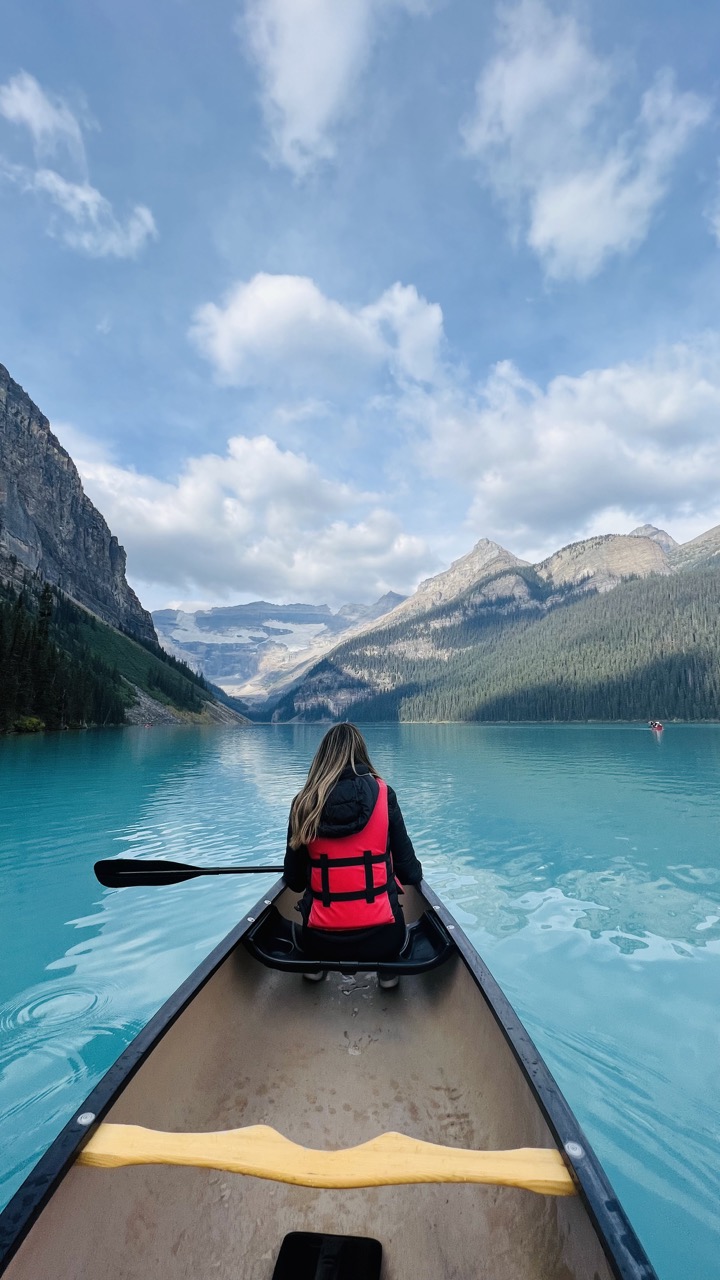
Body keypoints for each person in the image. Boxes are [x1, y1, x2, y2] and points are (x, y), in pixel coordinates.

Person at [283, 723, 423, 988]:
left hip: (319, 940)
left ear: (321, 757)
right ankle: (388, 974)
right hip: (383, 940)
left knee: (312, 944)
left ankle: (315, 968)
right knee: (391, 938)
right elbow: (410, 873)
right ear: (362, 754)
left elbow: (295, 881)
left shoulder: (302, 804)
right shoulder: (384, 794)